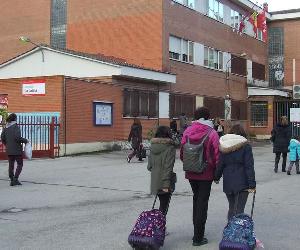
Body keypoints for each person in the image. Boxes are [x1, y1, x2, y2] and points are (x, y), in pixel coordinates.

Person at [180, 107, 219, 246]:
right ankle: (198, 237)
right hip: (206, 172)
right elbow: (217, 155)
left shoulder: (187, 131)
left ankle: (197, 232)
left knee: (196, 200)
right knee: (202, 203)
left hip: (191, 172)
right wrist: (217, 173)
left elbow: (182, 153)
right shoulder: (212, 132)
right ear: (208, 117)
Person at [214, 124, 256, 221]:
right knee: (239, 209)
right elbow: (249, 166)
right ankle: (236, 233)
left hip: (228, 182)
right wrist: (252, 184)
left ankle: (230, 231)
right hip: (242, 182)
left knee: (232, 208)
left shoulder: (224, 146)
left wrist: (216, 177)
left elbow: (220, 164)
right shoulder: (246, 146)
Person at [147, 126, 176, 215]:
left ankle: (158, 225)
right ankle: (160, 226)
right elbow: (168, 167)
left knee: (161, 204)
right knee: (164, 206)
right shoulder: (169, 147)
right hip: (165, 181)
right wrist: (166, 185)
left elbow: (149, 167)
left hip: (155, 180)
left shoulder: (153, 146)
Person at [1, 113, 28, 186]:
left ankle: (12, 179)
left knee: (11, 164)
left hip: (9, 149)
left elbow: (2, 138)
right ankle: (15, 179)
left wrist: (7, 144)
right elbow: (17, 138)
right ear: (15, 119)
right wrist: (25, 140)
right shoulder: (15, 127)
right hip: (16, 149)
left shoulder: (6, 127)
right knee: (20, 164)